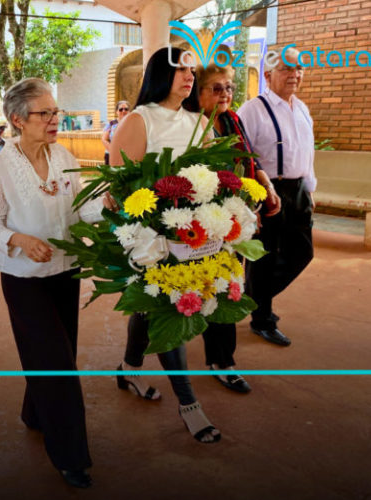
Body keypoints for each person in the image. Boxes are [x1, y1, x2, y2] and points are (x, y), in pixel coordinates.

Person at [0, 77, 112, 489]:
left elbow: (82, 213)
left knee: (58, 350)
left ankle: (35, 413)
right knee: (56, 365)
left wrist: (109, 213)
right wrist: (19, 240)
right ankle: (71, 455)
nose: (55, 119)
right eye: (44, 113)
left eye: (56, 112)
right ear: (17, 119)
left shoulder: (63, 155)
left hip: (66, 272)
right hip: (24, 280)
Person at [108, 46, 221, 444]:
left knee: (149, 304)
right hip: (152, 236)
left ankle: (128, 367)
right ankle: (189, 403)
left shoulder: (198, 122)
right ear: (160, 74)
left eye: (191, 71)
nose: (188, 77)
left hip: (193, 236)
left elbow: (214, 179)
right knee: (169, 308)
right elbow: (117, 185)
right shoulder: (141, 119)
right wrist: (151, 225)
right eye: (179, 70)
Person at [195, 61, 282, 393]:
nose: (225, 94)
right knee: (209, 289)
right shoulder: (193, 126)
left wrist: (267, 188)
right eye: (216, 88)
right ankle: (218, 360)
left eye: (229, 87)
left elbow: (252, 160)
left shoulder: (231, 119)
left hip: (237, 220)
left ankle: (221, 358)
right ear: (198, 92)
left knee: (229, 288)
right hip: (205, 222)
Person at [237, 47, 316, 347]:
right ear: (268, 75)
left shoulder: (302, 109)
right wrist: (250, 199)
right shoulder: (252, 109)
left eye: (298, 69)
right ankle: (262, 319)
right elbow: (244, 157)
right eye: (286, 69)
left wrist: (310, 187)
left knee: (302, 252)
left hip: (297, 190)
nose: (294, 75)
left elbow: (307, 153)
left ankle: (254, 296)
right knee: (264, 257)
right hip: (267, 191)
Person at [101, 100, 129, 164]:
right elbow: (104, 139)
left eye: (126, 109)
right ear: (116, 112)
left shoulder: (132, 123)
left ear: (129, 111)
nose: (123, 111)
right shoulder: (111, 124)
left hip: (128, 156)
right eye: (121, 109)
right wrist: (113, 151)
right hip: (111, 155)